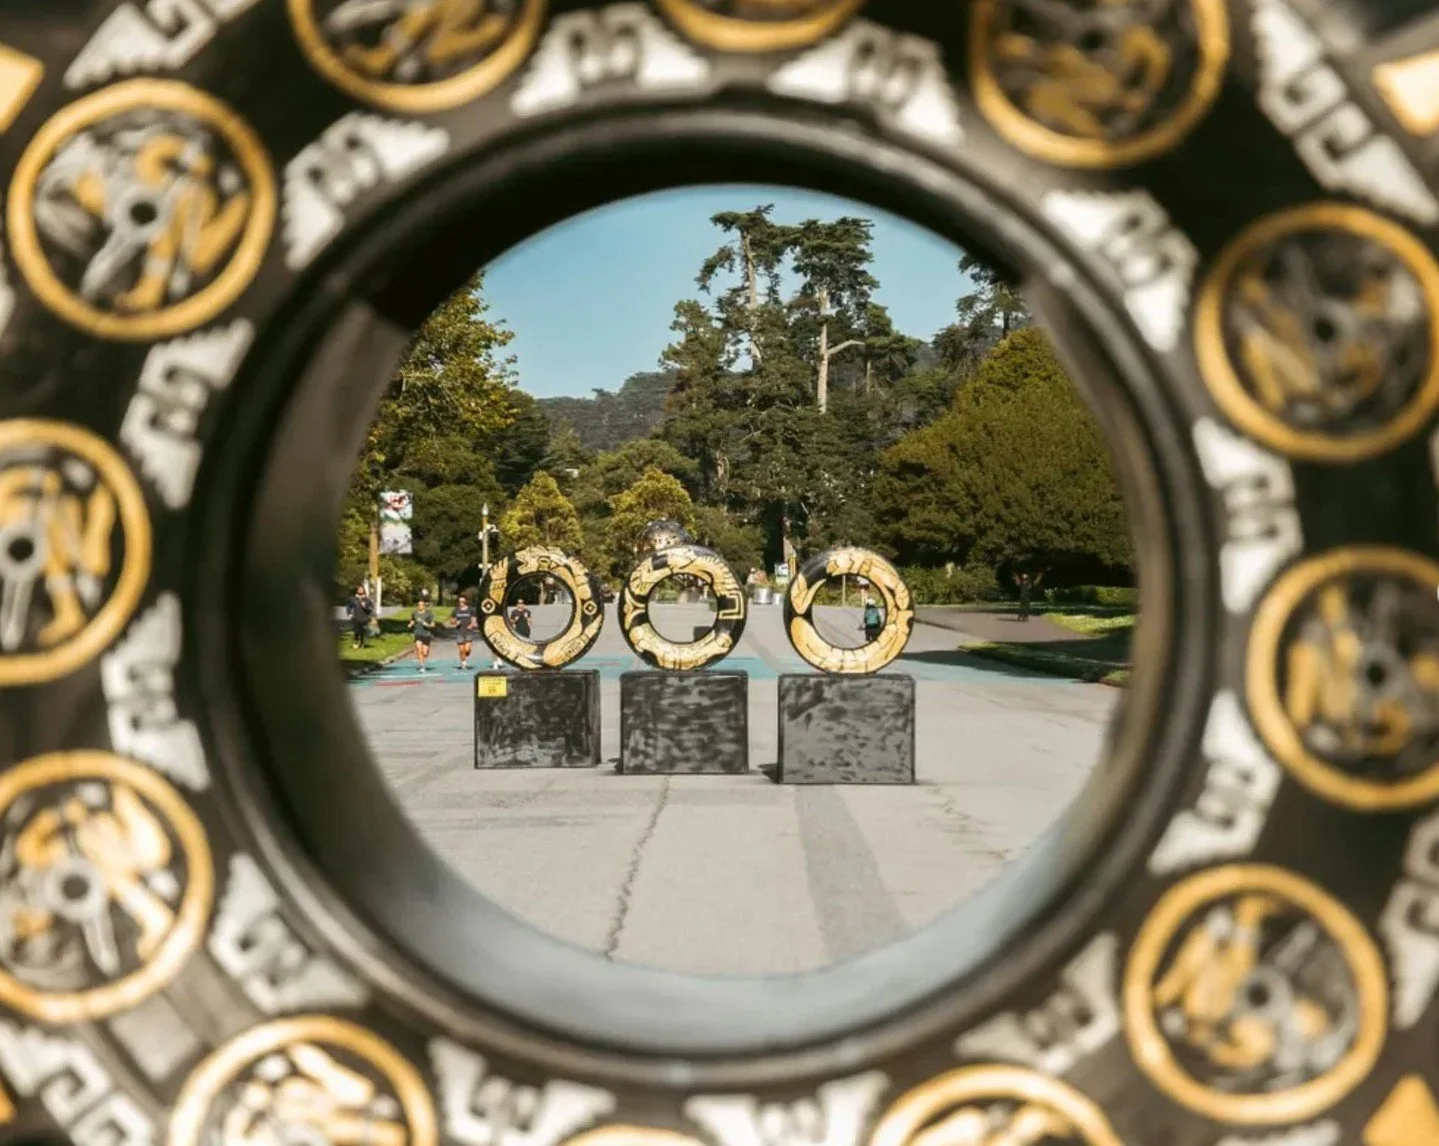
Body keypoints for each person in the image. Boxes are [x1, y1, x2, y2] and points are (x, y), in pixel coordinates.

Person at [407, 591, 436, 671]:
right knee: (419, 649)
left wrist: (427, 625)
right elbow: (412, 621)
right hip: (418, 633)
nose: (420, 606)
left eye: (421, 605)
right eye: (419, 605)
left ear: (424, 606)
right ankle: (421, 665)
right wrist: (410, 624)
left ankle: (426, 653)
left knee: (425, 652)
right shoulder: (415, 613)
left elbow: (433, 625)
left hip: (426, 634)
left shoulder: (428, 614)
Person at [450, 593, 478, 671]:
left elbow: (474, 620)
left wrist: (471, 625)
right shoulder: (456, 610)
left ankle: (467, 653)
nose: (461, 603)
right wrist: (455, 621)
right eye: (460, 601)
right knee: (461, 650)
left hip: (468, 632)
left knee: (467, 650)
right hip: (460, 632)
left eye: (462, 601)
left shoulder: (471, 610)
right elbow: (452, 621)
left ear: (466, 602)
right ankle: (463, 663)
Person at [346, 584, 372, 648]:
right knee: (356, 630)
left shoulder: (367, 599)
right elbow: (348, 606)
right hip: (355, 617)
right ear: (357, 590)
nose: (360, 590)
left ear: (364, 590)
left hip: (364, 617)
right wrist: (349, 613)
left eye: (361, 589)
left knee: (362, 630)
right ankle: (356, 642)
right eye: (359, 589)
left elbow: (370, 609)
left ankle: (362, 643)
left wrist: (364, 607)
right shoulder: (353, 599)